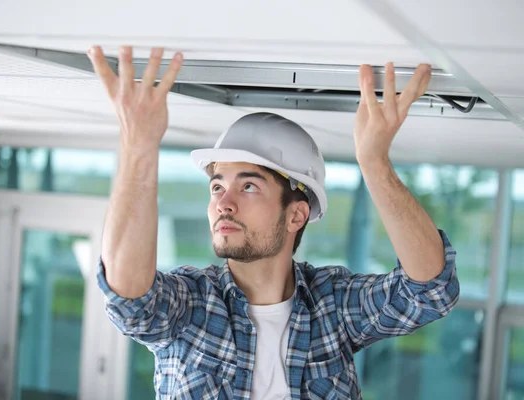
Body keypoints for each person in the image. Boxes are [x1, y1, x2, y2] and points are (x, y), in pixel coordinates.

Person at [88, 45, 460, 399]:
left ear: (296, 214)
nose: (223, 203)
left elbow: (429, 291)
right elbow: (130, 301)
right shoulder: (192, 305)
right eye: (217, 186)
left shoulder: (332, 307)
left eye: (248, 185)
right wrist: (138, 149)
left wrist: (374, 162)